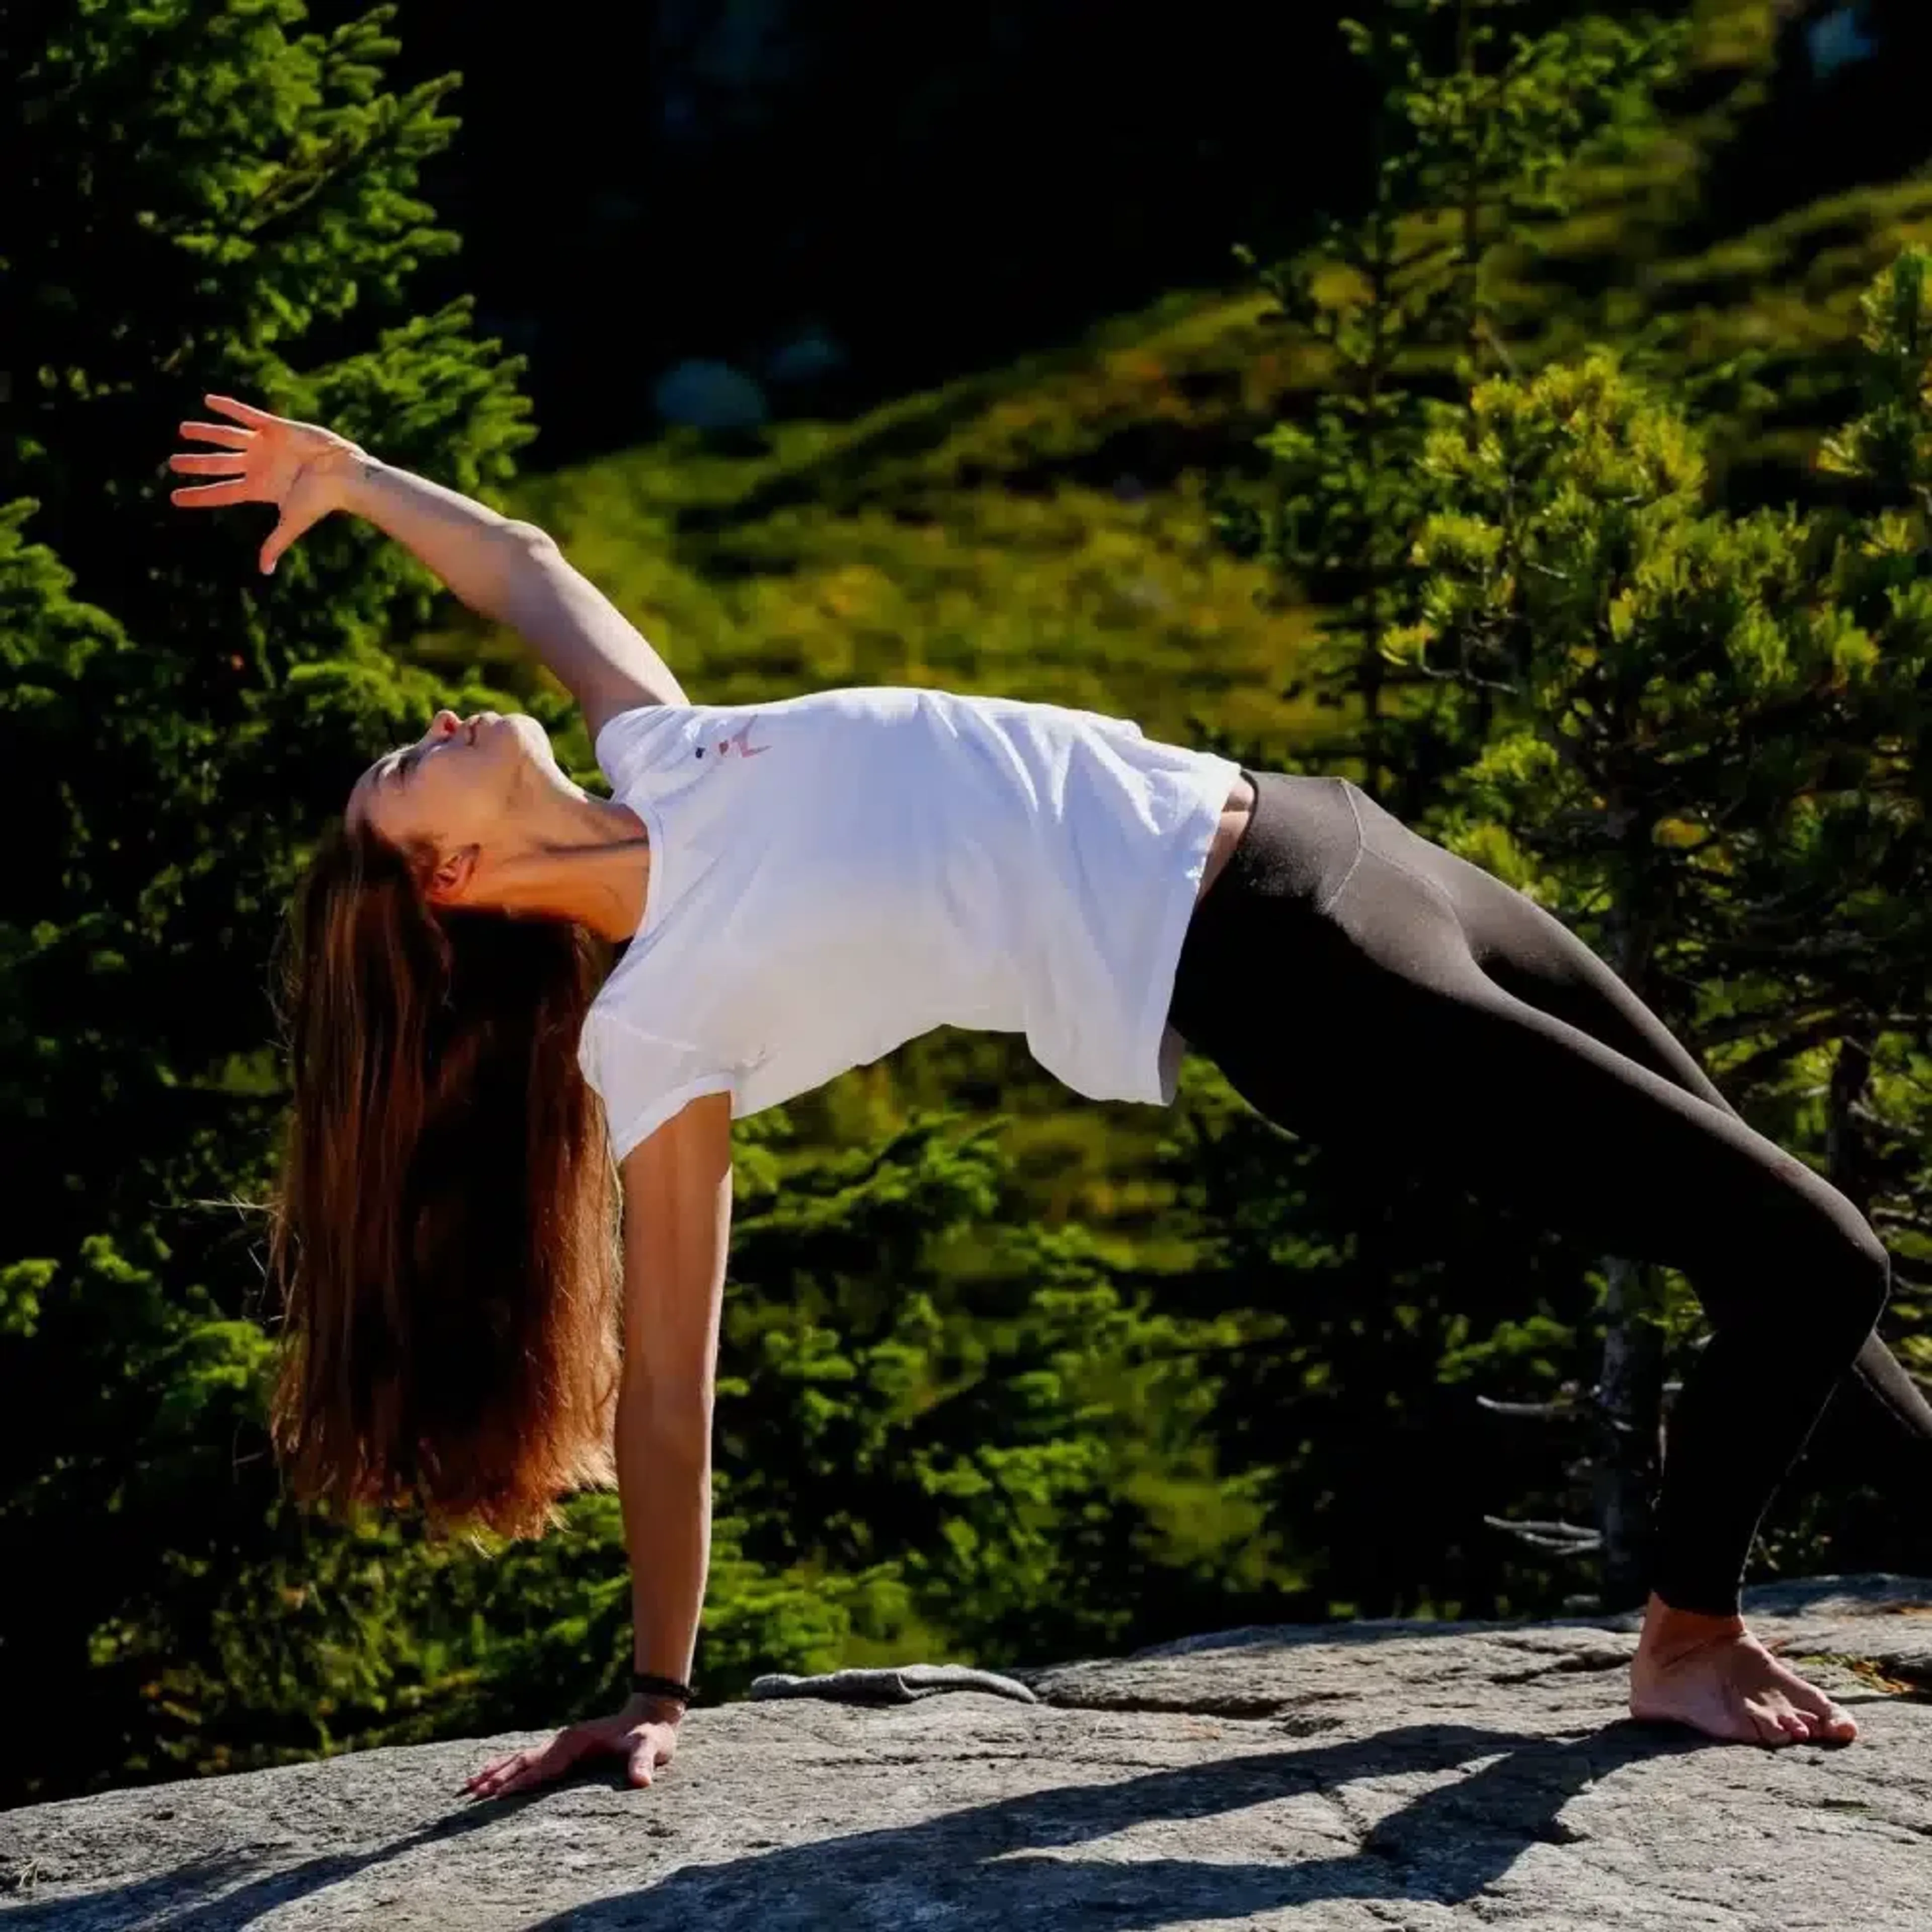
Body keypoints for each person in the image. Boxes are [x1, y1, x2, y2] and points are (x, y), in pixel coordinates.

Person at [168, 394, 1932, 1800]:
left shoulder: (663, 747)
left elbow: (530, 564)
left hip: (1341, 840)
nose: (437, 723)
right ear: (448, 884)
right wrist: (651, 1688)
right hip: (1297, 977)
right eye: (405, 772)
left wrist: (357, 475)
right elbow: (672, 1377)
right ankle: (1686, 1641)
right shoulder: (663, 1023)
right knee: (1815, 1256)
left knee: (1761, 1223)